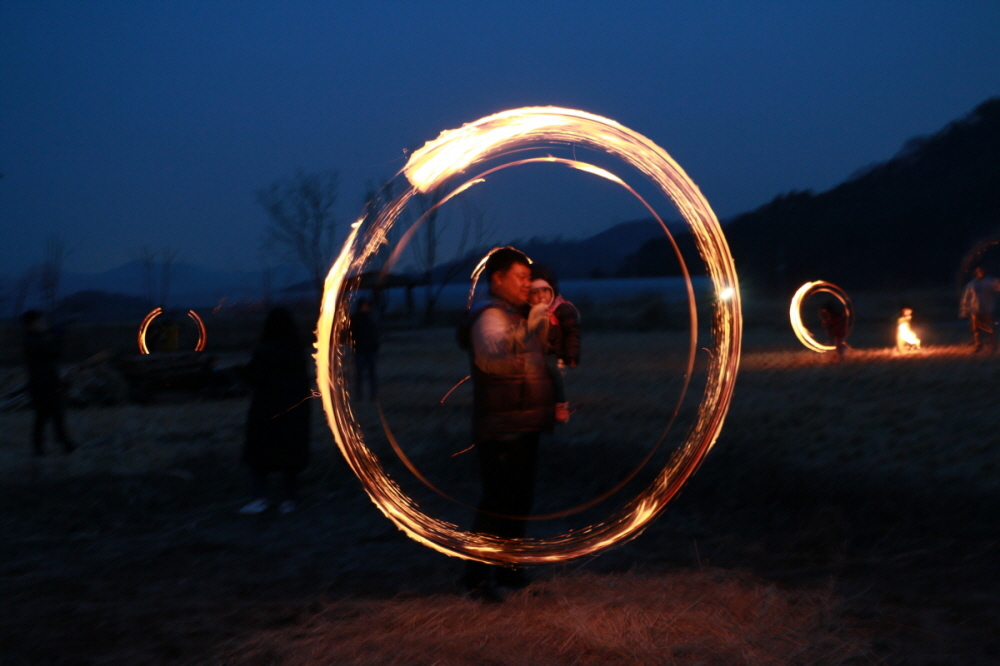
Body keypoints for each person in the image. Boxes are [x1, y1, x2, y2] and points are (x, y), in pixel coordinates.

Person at [457, 247, 554, 601]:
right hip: (500, 429)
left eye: (529, 278)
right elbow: (494, 358)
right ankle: (475, 577)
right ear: (497, 279)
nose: (527, 285)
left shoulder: (515, 314)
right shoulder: (488, 315)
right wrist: (529, 328)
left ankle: (509, 569)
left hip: (522, 425)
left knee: (519, 501)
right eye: (521, 278)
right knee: (497, 503)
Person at [239, 307, 312, 515]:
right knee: (290, 456)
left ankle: (260, 498)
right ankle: (290, 499)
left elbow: (253, 378)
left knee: (260, 456)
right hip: (293, 413)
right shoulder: (298, 354)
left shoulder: (264, 353)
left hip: (267, 412)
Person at [528, 264, 581, 423]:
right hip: (533, 354)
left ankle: (560, 404)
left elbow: (572, 332)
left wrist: (571, 355)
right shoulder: (528, 312)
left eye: (545, 290)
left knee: (552, 370)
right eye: (534, 292)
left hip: (553, 352)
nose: (541, 296)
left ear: (552, 290)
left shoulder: (562, 309)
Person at [21, 310, 76, 456]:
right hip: (41, 384)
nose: (43, 324)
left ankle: (62, 444)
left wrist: (55, 330)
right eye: (40, 322)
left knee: (52, 414)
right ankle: (49, 446)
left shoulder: (34, 338)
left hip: (46, 382)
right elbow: (54, 351)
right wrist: (58, 335)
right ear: (32, 324)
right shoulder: (31, 341)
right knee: (45, 416)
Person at [960, 267, 1000, 352]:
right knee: (976, 329)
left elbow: (997, 289)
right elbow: (966, 297)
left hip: (988, 309)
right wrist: (965, 310)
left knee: (990, 328)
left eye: (982, 270)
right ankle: (978, 345)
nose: (980, 272)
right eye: (978, 271)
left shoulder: (991, 281)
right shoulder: (972, 283)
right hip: (975, 310)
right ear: (976, 272)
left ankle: (993, 345)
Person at [348, 298, 379, 400]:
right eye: (364, 306)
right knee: (359, 375)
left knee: (372, 374)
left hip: (370, 350)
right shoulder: (355, 319)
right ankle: (359, 395)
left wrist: (375, 346)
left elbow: (375, 333)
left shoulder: (371, 318)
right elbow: (350, 334)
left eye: (367, 306)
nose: (366, 308)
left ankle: (373, 395)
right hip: (360, 350)